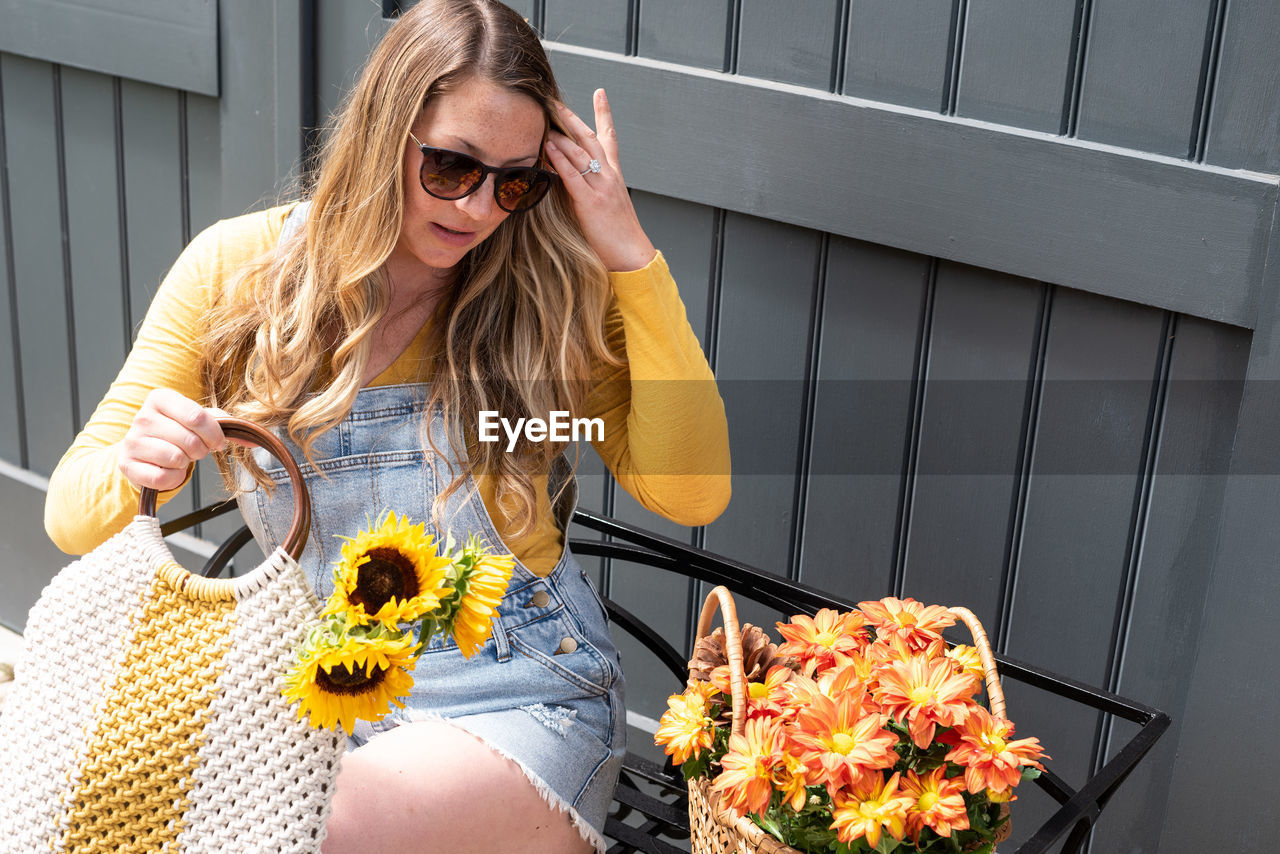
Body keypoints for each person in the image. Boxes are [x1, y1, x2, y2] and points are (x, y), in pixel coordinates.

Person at [43, 0, 730, 851]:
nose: (481, 209)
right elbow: (70, 515)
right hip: (326, 696)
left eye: (515, 182)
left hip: (518, 698)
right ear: (382, 133)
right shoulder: (239, 275)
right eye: (451, 167)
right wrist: (142, 461)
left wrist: (628, 253)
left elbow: (691, 488)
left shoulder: (545, 302)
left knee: (315, 828)